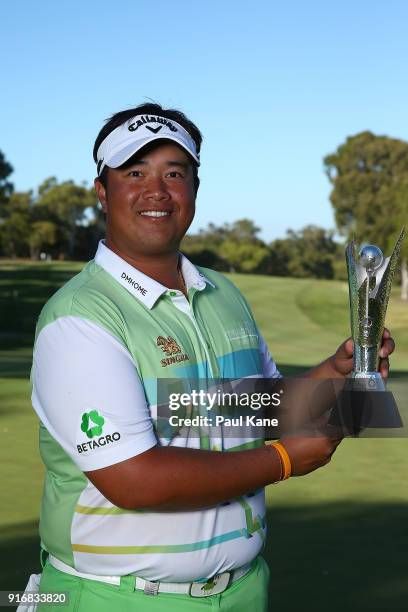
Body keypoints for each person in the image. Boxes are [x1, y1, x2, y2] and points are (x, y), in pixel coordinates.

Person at [29, 103, 394, 611]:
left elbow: (251, 408)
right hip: (116, 598)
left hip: (244, 590)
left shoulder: (222, 294)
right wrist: (285, 460)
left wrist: (332, 376)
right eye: (135, 172)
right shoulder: (79, 316)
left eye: (174, 173)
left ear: (195, 189)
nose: (156, 190)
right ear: (102, 191)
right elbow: (133, 479)